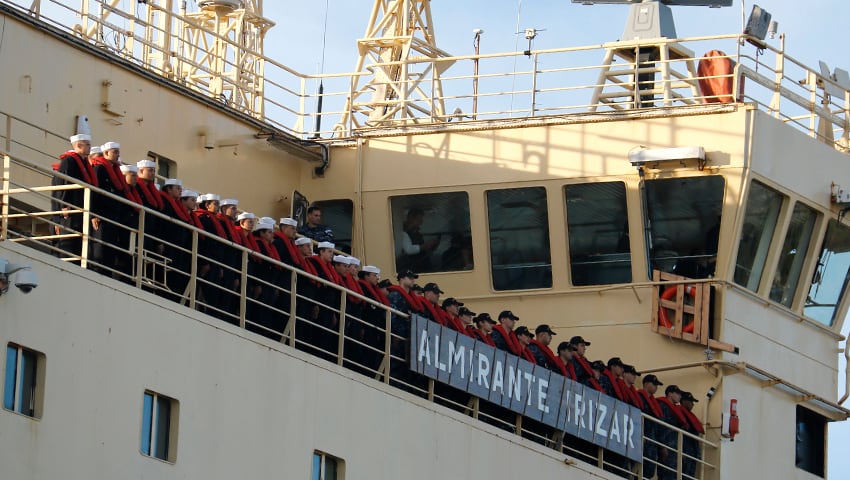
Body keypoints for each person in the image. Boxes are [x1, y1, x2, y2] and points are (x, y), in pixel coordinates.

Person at [52, 134, 97, 263]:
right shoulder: (69, 161)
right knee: (69, 240)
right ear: (78, 145)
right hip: (71, 208)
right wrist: (64, 205)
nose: (90, 147)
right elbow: (65, 183)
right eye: (87, 144)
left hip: (81, 207)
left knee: (79, 240)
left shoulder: (83, 162)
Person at [386, 269, 423, 387]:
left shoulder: (411, 298)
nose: (413, 280)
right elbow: (392, 316)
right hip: (398, 337)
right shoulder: (394, 295)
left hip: (409, 337)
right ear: (401, 279)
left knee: (406, 367)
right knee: (396, 364)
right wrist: (396, 334)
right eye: (410, 277)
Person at [656, 385, 688, 480]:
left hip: (674, 449)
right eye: (677, 393)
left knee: (673, 474)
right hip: (667, 447)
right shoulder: (663, 406)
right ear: (670, 394)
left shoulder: (674, 410)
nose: (680, 396)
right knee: (665, 473)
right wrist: (662, 446)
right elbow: (660, 426)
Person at [638, 374, 665, 479]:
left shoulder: (655, 403)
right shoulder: (639, 397)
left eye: (656, 385)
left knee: (649, 471)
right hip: (642, 439)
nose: (655, 387)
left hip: (652, 442)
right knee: (639, 468)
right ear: (645, 384)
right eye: (653, 384)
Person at [396, 207, 439, 273]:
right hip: (413, 266)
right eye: (418, 219)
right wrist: (425, 245)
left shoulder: (416, 233)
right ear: (410, 218)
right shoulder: (402, 232)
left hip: (422, 264)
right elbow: (408, 250)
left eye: (421, 219)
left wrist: (431, 247)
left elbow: (422, 248)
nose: (421, 222)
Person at [679, 391, 704, 479]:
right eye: (690, 401)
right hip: (684, 450)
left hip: (692, 452)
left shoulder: (690, 416)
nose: (692, 404)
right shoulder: (679, 413)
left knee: (690, 475)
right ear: (683, 401)